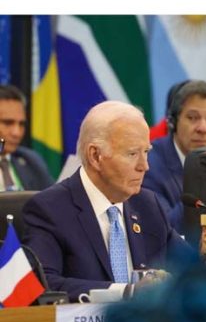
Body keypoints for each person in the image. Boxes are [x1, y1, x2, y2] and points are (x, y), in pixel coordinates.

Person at [22, 101, 189, 301]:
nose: (144, 166)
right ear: (95, 156)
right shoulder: (49, 209)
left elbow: (191, 268)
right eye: (132, 154)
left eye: (146, 152)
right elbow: (44, 285)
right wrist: (127, 292)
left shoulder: (147, 205)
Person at [142, 80, 206, 233]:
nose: (203, 128)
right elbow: (164, 231)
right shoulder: (148, 165)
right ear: (173, 122)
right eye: (192, 118)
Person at [0, 84, 54, 191]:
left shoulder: (31, 160)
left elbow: (53, 201)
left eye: (21, 124)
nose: (17, 132)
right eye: (8, 123)